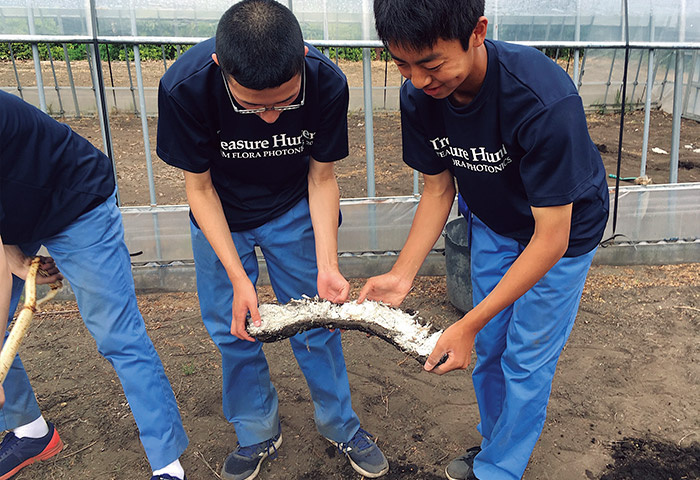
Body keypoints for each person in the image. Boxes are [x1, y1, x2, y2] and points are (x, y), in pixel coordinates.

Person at [362, 1, 609, 479]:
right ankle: (495, 442)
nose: (417, 80)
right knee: (492, 346)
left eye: (432, 63)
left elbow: (551, 239)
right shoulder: (420, 97)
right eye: (402, 64)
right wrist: (401, 274)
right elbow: (438, 188)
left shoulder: (540, 97)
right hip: (494, 221)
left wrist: (467, 324)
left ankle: (499, 469)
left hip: (561, 235)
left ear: (477, 31)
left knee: (526, 357)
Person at [156, 1, 389, 479]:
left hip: (292, 208)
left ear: (302, 58)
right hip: (222, 214)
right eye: (253, 105)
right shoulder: (185, 87)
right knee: (234, 328)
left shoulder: (326, 81)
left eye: (285, 103)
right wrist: (240, 278)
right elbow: (197, 189)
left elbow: (322, 179)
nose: (269, 118)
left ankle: (340, 424)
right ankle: (256, 430)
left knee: (318, 320)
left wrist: (328, 263)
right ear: (221, 68)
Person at [0, 90, 189, 480]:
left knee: (118, 335)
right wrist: (16, 258)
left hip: (75, 199)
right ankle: (30, 431)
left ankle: (167, 465)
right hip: (14, 211)